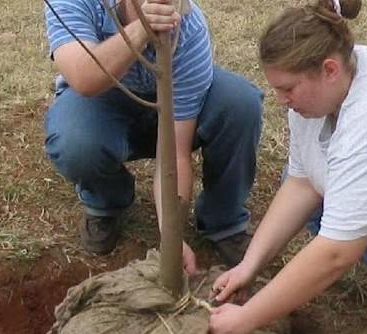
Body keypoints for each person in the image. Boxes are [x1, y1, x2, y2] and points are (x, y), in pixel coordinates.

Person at [210, 0, 367, 334]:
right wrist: (249, 266)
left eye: (287, 89)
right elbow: (304, 184)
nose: (281, 100)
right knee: (327, 189)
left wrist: (248, 318)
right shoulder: (325, 90)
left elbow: (338, 251)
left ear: (329, 70)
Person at [44, 0, 263, 273]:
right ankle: (106, 201)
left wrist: (171, 237)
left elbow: (175, 153)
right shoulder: (73, 3)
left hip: (173, 106)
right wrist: (141, 30)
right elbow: (85, 77)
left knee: (239, 104)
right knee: (74, 138)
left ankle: (223, 219)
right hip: (102, 102)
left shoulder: (188, 26)